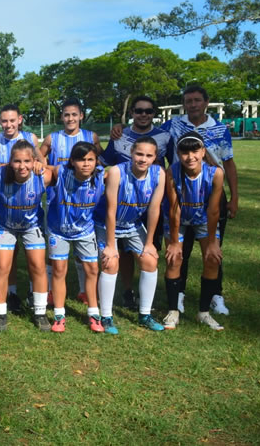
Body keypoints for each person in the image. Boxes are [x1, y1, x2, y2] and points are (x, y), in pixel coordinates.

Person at [109, 86, 237, 315]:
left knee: (214, 251)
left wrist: (235, 197)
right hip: (176, 192)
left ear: (206, 102)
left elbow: (228, 162)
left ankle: (215, 296)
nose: (193, 104)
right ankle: (176, 297)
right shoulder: (173, 126)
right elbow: (147, 136)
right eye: (189, 101)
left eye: (198, 100)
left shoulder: (219, 128)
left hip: (210, 190)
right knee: (178, 250)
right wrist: (118, 128)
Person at [100, 96, 170, 309]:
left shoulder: (165, 136)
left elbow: (177, 162)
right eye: (139, 111)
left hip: (144, 204)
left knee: (148, 254)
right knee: (119, 255)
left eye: (148, 111)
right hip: (119, 202)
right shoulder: (120, 135)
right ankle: (126, 292)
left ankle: (145, 309)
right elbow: (104, 161)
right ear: (132, 112)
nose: (143, 114)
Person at [93, 137, 166, 334]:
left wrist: (149, 243)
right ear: (131, 153)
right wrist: (110, 244)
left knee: (150, 260)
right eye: (139, 154)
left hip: (133, 224)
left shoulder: (159, 174)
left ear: (155, 157)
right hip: (106, 223)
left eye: (149, 155)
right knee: (111, 262)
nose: (143, 159)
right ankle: (106, 316)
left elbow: (154, 209)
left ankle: (145, 314)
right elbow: (110, 210)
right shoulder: (117, 172)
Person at [39, 98, 102, 306]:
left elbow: (98, 159)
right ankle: (49, 290)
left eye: (74, 114)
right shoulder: (52, 138)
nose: (70, 118)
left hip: (83, 196)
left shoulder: (90, 137)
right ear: (62, 117)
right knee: (56, 246)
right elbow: (39, 156)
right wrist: (44, 169)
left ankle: (84, 290)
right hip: (60, 196)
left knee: (81, 244)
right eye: (66, 115)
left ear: (81, 116)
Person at [162, 132, 225, 331]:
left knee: (213, 258)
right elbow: (174, 208)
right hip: (178, 218)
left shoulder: (215, 173)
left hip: (203, 218)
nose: (190, 157)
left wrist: (213, 242)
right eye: (185, 152)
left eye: (195, 151)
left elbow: (214, 209)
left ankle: (203, 312)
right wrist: (173, 241)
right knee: (174, 258)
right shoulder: (172, 172)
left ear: (203, 151)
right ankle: (173, 311)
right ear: (178, 154)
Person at [0, 104, 44, 312]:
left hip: (29, 204)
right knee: (8, 255)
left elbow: (41, 162)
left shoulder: (31, 138)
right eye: (4, 121)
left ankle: (32, 292)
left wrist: (39, 165)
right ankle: (11, 294)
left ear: (20, 119)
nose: (8, 124)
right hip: (6, 206)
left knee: (33, 256)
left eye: (12, 120)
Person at [46, 141, 105, 333]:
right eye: (81, 160)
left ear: (97, 161)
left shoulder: (102, 177)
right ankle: (59, 314)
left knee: (92, 270)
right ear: (72, 161)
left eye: (90, 160)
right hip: (59, 231)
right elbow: (45, 169)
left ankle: (94, 313)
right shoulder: (61, 173)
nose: (86, 164)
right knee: (59, 270)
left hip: (85, 231)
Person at [0, 140, 49, 331]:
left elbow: (63, 171)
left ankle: (40, 312)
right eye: (17, 161)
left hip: (31, 226)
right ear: (10, 162)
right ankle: (0, 313)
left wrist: (44, 164)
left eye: (27, 161)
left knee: (38, 265)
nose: (22, 166)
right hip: (5, 225)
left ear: (33, 161)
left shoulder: (42, 176)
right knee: (2, 266)